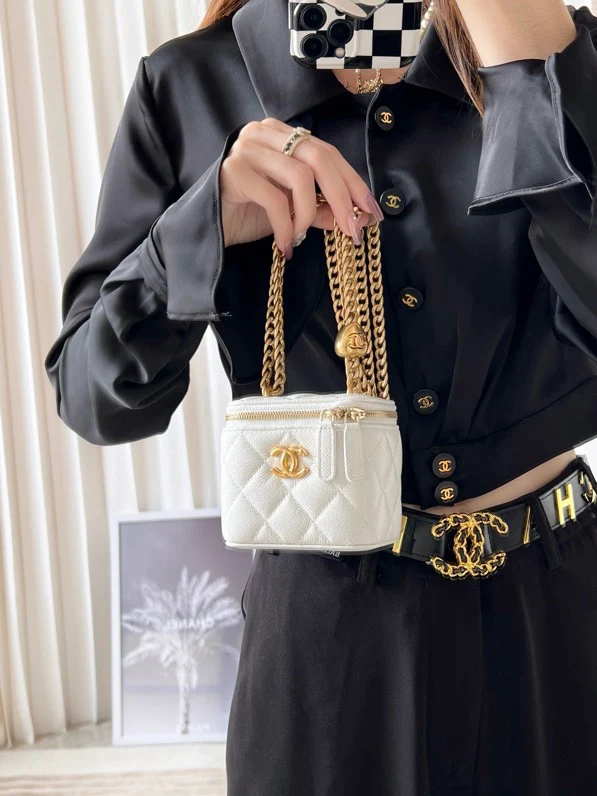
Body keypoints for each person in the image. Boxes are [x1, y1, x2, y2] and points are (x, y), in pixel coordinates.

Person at [44, 0, 597, 793]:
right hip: (324, 653)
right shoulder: (190, 83)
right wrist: (201, 225)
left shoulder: (555, 45)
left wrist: (529, 71)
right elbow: (94, 397)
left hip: (558, 623)